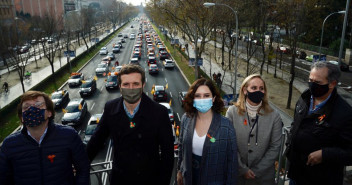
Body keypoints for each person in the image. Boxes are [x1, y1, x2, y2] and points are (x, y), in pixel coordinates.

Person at [86, 64, 174, 185]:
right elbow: (96, 140)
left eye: (136, 84)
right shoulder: (110, 108)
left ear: (143, 85)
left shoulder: (159, 113)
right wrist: (80, 163)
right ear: (120, 86)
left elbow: (167, 155)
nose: (131, 88)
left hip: (149, 179)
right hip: (121, 179)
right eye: (126, 84)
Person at [0, 91, 90, 185]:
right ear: (22, 117)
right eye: (26, 107)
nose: (32, 109)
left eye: (38, 105)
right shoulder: (9, 145)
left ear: (49, 113)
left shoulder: (69, 135)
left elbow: (83, 168)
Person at [286, 61, 352, 185]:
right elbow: (296, 124)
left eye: (317, 82)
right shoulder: (304, 98)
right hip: (296, 173)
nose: (312, 85)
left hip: (321, 179)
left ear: (332, 84)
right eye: (310, 80)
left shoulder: (345, 113)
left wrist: (325, 154)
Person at [177, 78, 238, 185]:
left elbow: (232, 163)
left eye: (206, 96)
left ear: (213, 98)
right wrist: (179, 170)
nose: (202, 99)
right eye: (197, 96)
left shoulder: (226, 126)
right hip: (189, 179)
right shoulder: (186, 119)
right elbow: (182, 147)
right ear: (193, 99)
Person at [225, 74, 283, 185]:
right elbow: (229, 144)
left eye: (261, 88)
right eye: (254, 88)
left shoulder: (274, 115)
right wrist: (243, 169)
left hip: (263, 178)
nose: (258, 91)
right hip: (237, 176)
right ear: (245, 90)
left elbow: (276, 147)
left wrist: (257, 171)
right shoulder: (232, 112)